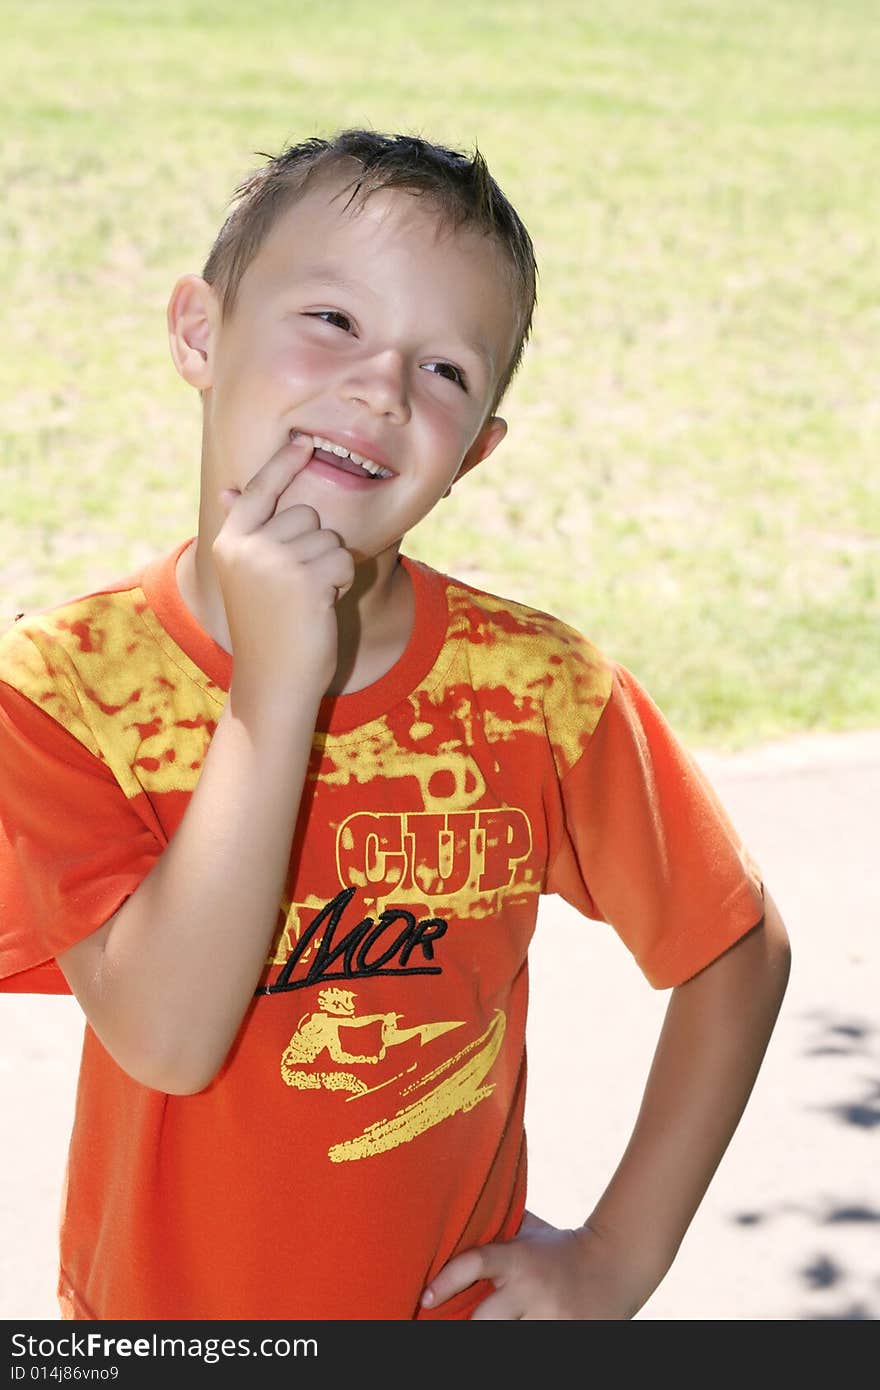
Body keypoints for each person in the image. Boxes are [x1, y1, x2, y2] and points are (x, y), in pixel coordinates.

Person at [0, 128, 791, 1322]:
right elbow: (164, 1035)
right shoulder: (68, 691)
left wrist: (618, 1256)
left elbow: (734, 948)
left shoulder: (536, 693)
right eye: (332, 320)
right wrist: (276, 683)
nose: (379, 386)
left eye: (445, 373)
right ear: (198, 333)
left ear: (472, 453)